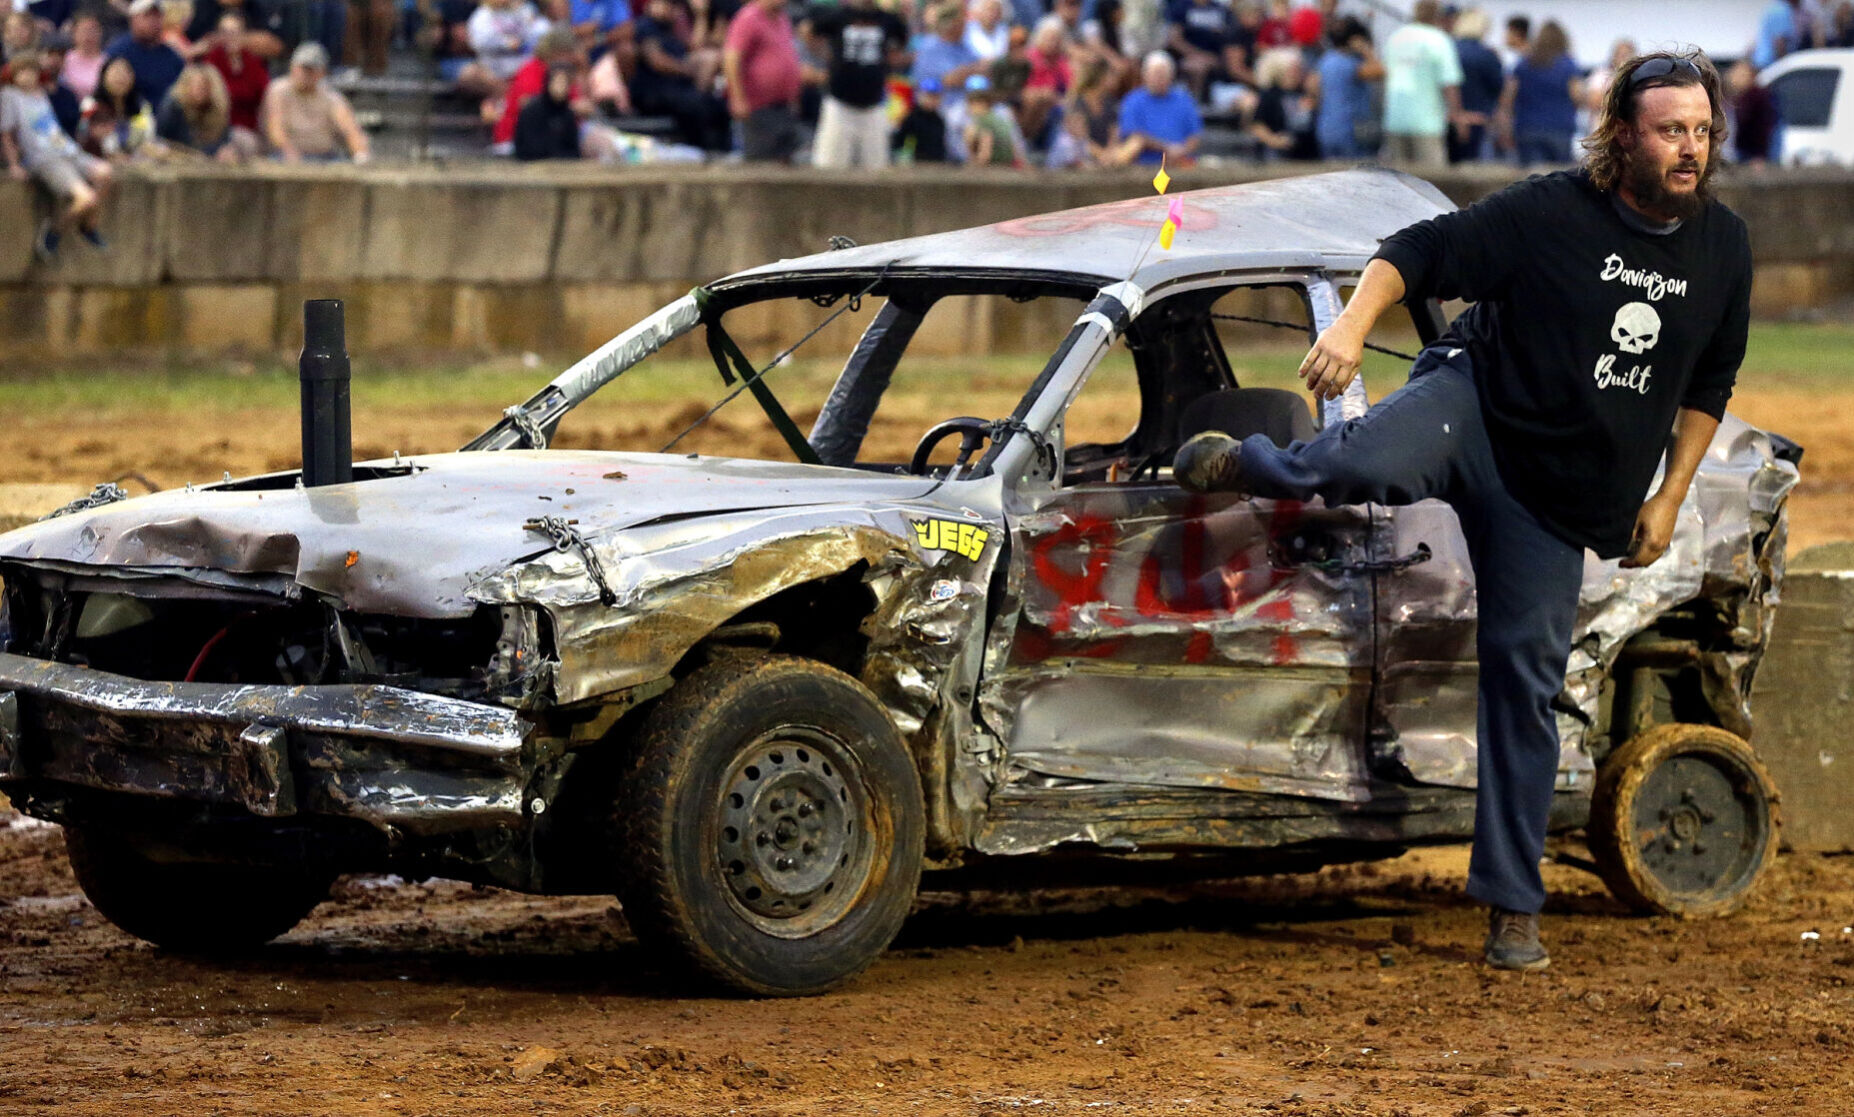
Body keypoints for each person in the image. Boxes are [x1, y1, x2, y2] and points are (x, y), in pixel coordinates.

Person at [1173, 51, 1749, 974]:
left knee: (1526, 679)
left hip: (1558, 494)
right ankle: (1254, 463)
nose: (1690, 147)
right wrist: (1352, 325)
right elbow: (1415, 254)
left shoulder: (1724, 246)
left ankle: (1513, 908)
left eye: (1702, 130)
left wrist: (1670, 495)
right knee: (1358, 461)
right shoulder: (1549, 209)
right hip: (1475, 406)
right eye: (1670, 129)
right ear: (1622, 135)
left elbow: (1709, 381)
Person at [2, 49, 113, 262]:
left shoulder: (40, 93)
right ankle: (54, 230)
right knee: (86, 198)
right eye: (22, 71)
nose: (27, 76)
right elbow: (7, 134)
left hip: (66, 150)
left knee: (106, 173)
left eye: (31, 71)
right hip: (43, 157)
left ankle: (89, 226)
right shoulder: (10, 97)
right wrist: (14, 164)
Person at [805, 0, 906, 169]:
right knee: (830, 166)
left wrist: (888, 61)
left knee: (876, 169)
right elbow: (808, 31)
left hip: (874, 105)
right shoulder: (838, 16)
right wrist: (827, 59)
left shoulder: (888, 20)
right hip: (840, 103)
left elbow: (901, 41)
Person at [630, 0, 728, 151]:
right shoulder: (646, 26)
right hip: (654, 91)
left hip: (677, 89)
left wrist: (700, 16)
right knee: (697, 106)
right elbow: (657, 61)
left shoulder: (671, 29)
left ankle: (720, 151)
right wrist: (688, 71)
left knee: (717, 105)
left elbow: (695, 47)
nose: (667, 9)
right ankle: (704, 151)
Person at [1379, 0, 1461, 170]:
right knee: (1434, 182)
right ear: (1437, 15)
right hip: (1427, 123)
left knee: (1399, 182)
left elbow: (1386, 74)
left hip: (1395, 119)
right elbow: (1449, 83)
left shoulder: (1396, 37)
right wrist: (1457, 116)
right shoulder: (1439, 40)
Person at [260, 40, 369, 161]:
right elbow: (275, 129)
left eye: (311, 70)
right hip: (285, 155)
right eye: (302, 68)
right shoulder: (278, 91)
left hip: (326, 157)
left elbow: (350, 129)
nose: (305, 74)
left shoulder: (331, 97)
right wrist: (290, 152)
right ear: (292, 67)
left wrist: (361, 154)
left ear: (322, 73)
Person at [723, 0, 804, 161]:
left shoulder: (782, 18)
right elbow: (732, 59)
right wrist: (737, 98)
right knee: (760, 164)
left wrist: (793, 97)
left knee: (785, 162)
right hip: (758, 107)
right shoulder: (749, 18)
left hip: (783, 106)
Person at [1499, 19, 1581, 165]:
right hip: (1560, 128)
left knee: (1532, 179)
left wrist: (1505, 127)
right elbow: (1577, 96)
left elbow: (1508, 98)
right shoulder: (1568, 64)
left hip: (1527, 127)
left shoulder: (1523, 63)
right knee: (1560, 178)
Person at [1309, 15, 1379, 159]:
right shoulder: (1351, 64)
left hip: (1327, 128)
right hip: (1351, 131)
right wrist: (1366, 50)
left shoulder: (1326, 60)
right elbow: (1381, 71)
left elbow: (1313, 87)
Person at [1116, 49, 1198, 165]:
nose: (1159, 79)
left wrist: (1181, 151)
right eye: (1155, 74)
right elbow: (1135, 136)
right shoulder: (1133, 100)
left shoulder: (1184, 100)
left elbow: (1194, 136)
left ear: (1171, 76)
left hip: (1179, 162)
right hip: (1144, 163)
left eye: (1163, 74)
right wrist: (1166, 148)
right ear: (1145, 75)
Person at [155, 58, 247, 158]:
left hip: (208, 158)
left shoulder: (217, 108)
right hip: (177, 155)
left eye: (203, 87)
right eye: (195, 85)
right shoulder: (174, 105)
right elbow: (163, 138)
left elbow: (223, 140)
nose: (198, 91)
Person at [104, 0, 186, 107]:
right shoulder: (118, 52)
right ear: (133, 19)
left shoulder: (173, 58)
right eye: (147, 16)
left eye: (157, 16)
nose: (153, 21)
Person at [202, 12, 267, 133]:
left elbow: (264, 93)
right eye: (225, 32)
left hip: (250, 128)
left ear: (244, 34)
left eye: (235, 32)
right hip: (219, 128)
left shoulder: (252, 61)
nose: (230, 37)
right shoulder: (211, 61)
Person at [1449, 7, 1499, 162]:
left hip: (1449, 119)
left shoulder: (1448, 49)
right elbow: (1498, 86)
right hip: (1478, 119)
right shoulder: (1487, 55)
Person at [80, 54, 156, 156]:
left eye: (125, 73)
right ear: (103, 76)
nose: (120, 78)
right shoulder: (90, 105)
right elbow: (82, 135)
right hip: (98, 161)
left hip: (137, 161)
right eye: (116, 73)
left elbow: (149, 136)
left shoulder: (141, 106)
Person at [514, 62, 582, 156]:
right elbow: (527, 147)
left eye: (565, 83)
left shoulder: (567, 114)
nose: (561, 88)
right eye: (557, 83)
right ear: (548, 83)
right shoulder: (532, 111)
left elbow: (574, 150)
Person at [960, 70, 1019, 164]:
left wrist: (977, 165)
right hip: (1007, 161)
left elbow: (986, 148)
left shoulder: (994, 115)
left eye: (978, 100)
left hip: (995, 162)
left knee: (970, 131)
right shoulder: (998, 115)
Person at [1728, 58, 1779, 164]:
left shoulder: (1756, 96)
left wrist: (1759, 154)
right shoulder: (1743, 96)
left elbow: (1762, 127)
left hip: (1753, 153)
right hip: (1744, 151)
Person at [892, 72, 948, 162]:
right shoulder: (911, 118)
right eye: (929, 96)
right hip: (915, 166)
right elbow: (899, 145)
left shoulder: (939, 119)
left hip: (937, 166)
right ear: (920, 95)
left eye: (936, 96)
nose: (932, 100)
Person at [61, 13, 108, 98]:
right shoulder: (63, 59)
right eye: (84, 31)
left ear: (100, 33)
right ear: (74, 33)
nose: (88, 35)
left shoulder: (108, 61)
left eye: (93, 31)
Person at [1752, 0, 1801, 69]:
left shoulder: (1774, 7)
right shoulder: (1782, 10)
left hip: (1762, 61)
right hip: (1770, 64)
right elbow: (1779, 43)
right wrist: (1785, 68)